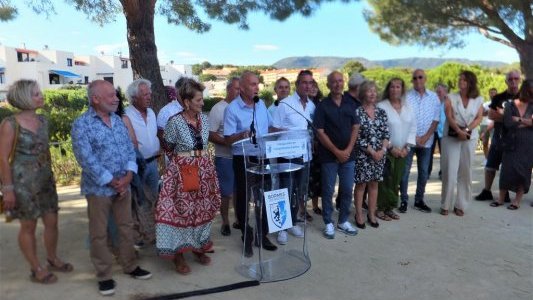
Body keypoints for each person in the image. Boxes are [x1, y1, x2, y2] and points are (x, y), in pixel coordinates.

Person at [72, 80, 152, 296]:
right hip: (98, 189)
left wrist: (127, 177)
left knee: (126, 227)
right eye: (110, 95)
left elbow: (129, 149)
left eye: (116, 95)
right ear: (95, 98)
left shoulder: (117, 121)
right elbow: (84, 158)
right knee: (99, 234)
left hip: (123, 187)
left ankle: (130, 265)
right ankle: (104, 276)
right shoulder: (82, 124)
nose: (116, 98)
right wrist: (110, 180)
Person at [0, 79, 72, 285]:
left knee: (52, 221)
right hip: (22, 184)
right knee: (28, 227)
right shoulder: (9, 124)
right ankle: (36, 268)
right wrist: (8, 189)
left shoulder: (43, 120)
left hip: (45, 180)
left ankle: (52, 258)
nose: (41, 96)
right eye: (36, 94)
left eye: (39, 93)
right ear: (23, 97)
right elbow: (2, 158)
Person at [155, 78, 221, 274]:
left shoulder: (204, 120)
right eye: (199, 100)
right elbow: (167, 147)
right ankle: (179, 255)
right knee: (182, 211)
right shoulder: (174, 121)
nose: (202, 103)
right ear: (186, 102)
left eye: (202, 99)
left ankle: (198, 247)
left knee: (202, 209)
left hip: (204, 170)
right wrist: (184, 163)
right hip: (184, 171)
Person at [224, 71, 277, 257]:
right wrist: (242, 134)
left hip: (263, 156)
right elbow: (229, 139)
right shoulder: (232, 109)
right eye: (253, 84)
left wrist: (284, 132)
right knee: (244, 199)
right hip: (243, 158)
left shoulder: (260, 104)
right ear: (243, 87)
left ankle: (262, 234)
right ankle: (246, 234)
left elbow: (269, 127)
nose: (257, 88)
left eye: (257, 84)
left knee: (264, 196)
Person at [314, 71, 360, 239]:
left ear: (344, 83)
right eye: (333, 81)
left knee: (347, 188)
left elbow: (356, 127)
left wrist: (347, 150)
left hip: (349, 155)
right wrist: (337, 151)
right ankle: (328, 222)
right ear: (328, 85)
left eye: (340, 81)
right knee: (327, 189)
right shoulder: (322, 106)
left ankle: (343, 221)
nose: (337, 84)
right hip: (328, 156)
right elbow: (320, 132)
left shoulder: (351, 103)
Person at [271, 69, 315, 245]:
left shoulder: (312, 106)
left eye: (310, 83)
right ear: (297, 85)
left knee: (299, 191)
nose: (307, 86)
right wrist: (285, 133)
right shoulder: (285, 104)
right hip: (287, 154)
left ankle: (292, 222)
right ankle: (281, 226)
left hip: (305, 155)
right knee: (285, 191)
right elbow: (273, 129)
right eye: (304, 82)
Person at [440, 71, 484, 216]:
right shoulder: (450, 97)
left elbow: (478, 118)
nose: (460, 81)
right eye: (460, 79)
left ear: (470, 82)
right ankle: (445, 204)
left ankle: (461, 205)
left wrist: (466, 130)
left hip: (469, 137)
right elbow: (448, 115)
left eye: (464, 80)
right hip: (451, 136)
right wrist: (458, 130)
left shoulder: (478, 99)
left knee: (466, 171)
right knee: (449, 171)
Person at [475, 70, 522, 202]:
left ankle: (505, 192)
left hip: (517, 138)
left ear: (519, 80)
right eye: (510, 79)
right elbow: (491, 115)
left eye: (516, 78)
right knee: (490, 165)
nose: (513, 81)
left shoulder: (525, 98)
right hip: (499, 137)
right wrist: (513, 118)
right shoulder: (498, 97)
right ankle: (487, 191)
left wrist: (504, 116)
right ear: (506, 81)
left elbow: (526, 118)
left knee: (509, 167)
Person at [399, 69, 440, 213]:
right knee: (405, 172)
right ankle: (403, 200)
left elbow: (436, 119)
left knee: (423, 172)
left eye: (420, 77)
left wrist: (425, 137)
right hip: (409, 141)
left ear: (425, 79)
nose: (417, 80)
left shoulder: (434, 97)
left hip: (426, 142)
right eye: (415, 78)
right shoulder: (406, 97)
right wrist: (415, 137)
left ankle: (419, 200)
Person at [125, 79, 160, 248]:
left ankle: (152, 234)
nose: (149, 97)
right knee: (136, 201)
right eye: (145, 94)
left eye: (150, 93)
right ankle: (137, 237)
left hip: (153, 163)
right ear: (134, 97)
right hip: (136, 166)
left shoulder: (152, 112)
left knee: (154, 199)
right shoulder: (126, 115)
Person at [376, 78, 416, 221]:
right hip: (386, 150)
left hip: (403, 151)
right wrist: (391, 147)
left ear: (402, 89)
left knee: (397, 180)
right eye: (392, 87)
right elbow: (379, 129)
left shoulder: (408, 106)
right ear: (388, 89)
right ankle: (380, 208)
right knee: (385, 180)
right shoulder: (381, 106)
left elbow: (413, 127)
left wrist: (407, 147)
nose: (395, 90)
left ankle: (390, 207)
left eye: (398, 87)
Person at [490, 80, 533, 210]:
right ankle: (501, 198)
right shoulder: (510, 105)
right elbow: (508, 123)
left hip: (528, 143)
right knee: (507, 169)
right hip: (511, 141)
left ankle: (516, 201)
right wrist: (527, 122)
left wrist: (518, 119)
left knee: (524, 170)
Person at [353, 81, 390, 228]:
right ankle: (359, 214)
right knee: (361, 185)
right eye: (369, 91)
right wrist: (372, 151)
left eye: (374, 91)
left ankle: (371, 214)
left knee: (374, 185)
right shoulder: (357, 112)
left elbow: (386, 134)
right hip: (364, 155)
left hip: (380, 155)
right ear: (363, 94)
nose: (373, 93)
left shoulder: (381, 112)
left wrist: (382, 151)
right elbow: (357, 136)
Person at [208, 77, 239, 236]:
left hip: (241, 157)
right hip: (224, 157)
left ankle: (239, 219)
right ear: (228, 89)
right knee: (225, 192)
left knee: (240, 191)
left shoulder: (243, 107)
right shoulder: (218, 109)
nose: (239, 92)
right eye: (236, 88)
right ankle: (225, 221)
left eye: (241, 89)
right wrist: (227, 142)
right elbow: (210, 134)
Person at [308, 80, 323, 215]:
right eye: (310, 86)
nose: (313, 89)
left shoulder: (321, 104)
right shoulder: (303, 104)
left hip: (321, 146)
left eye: (315, 86)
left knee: (318, 177)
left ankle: (315, 205)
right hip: (308, 146)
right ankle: (303, 208)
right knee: (308, 178)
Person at [429, 83, 448, 179]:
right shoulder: (432, 103)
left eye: (439, 92)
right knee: (429, 153)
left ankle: (442, 172)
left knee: (444, 154)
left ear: (445, 92)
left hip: (443, 132)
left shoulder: (448, 103)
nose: (437, 93)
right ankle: (427, 173)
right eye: (436, 92)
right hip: (432, 131)